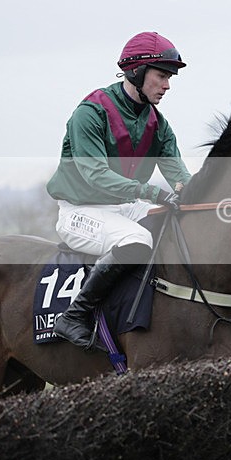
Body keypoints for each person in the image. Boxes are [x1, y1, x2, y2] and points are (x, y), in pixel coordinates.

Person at [47, 31, 192, 348]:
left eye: (170, 78)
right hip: (81, 210)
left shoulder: (158, 123)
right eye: (162, 75)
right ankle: (74, 315)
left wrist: (203, 196)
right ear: (137, 72)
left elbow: (179, 174)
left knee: (175, 227)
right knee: (138, 240)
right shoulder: (90, 113)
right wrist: (153, 193)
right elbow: (95, 175)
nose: (167, 85)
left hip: (124, 206)